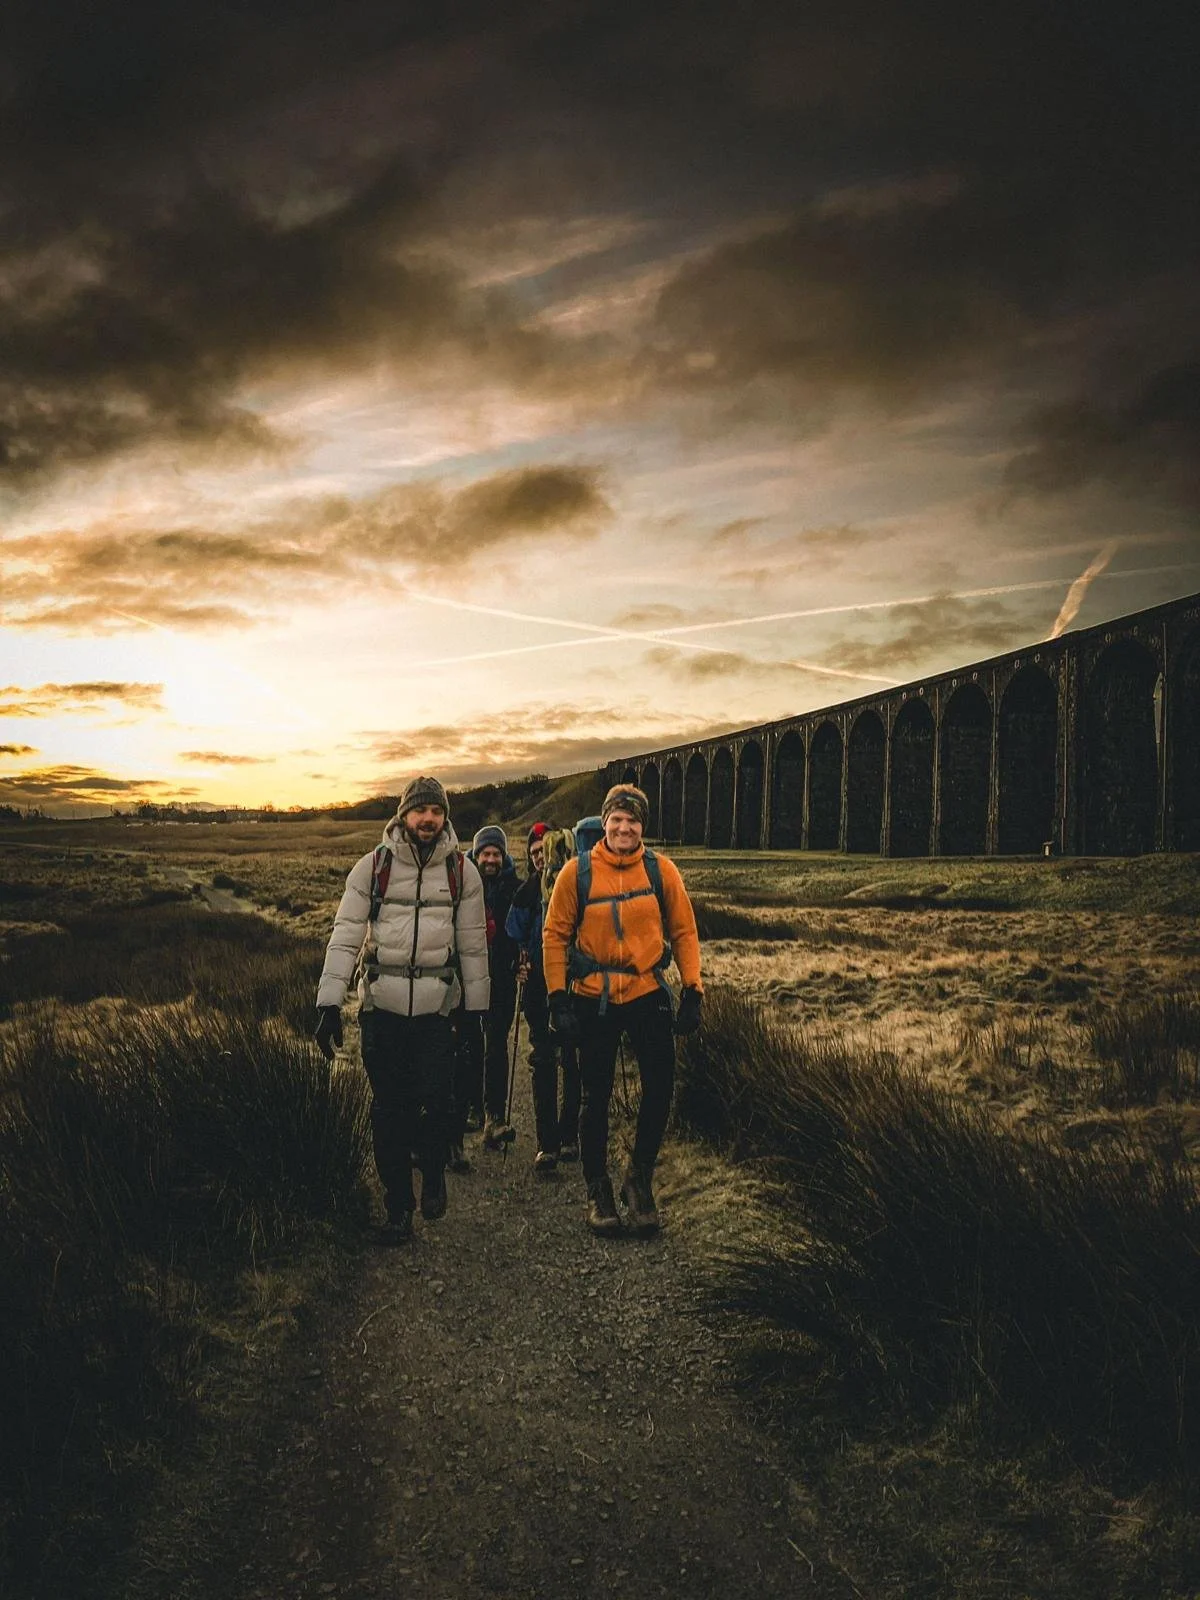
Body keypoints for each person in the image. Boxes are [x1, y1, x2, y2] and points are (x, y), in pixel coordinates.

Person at [314, 776, 489, 1244]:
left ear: (444, 817)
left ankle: (432, 1174)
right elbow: (346, 934)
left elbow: (473, 947)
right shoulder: (372, 868)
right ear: (404, 815)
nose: (428, 819)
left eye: (436, 812)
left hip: (437, 1014)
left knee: (437, 1105)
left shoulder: (462, 872)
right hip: (382, 1011)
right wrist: (329, 1003)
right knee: (388, 1112)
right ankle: (398, 1210)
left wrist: (475, 1012)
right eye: (420, 811)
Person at [543, 784, 703, 1237]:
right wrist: (558, 998)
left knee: (660, 1086)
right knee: (594, 1095)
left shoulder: (661, 872)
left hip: (646, 990)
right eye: (617, 819)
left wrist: (693, 989)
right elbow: (554, 936)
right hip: (592, 996)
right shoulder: (575, 874)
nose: (624, 827)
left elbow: (685, 930)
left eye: (633, 821)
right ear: (604, 822)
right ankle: (599, 1191)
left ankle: (640, 1176)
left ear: (642, 828)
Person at [505, 822, 581, 1175]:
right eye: (534, 854)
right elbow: (512, 937)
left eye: (544, 852)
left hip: (574, 986)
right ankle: (546, 1144)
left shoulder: (577, 887)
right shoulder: (525, 894)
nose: (540, 859)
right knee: (544, 1058)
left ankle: (569, 1137)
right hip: (537, 987)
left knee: (571, 1058)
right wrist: (517, 963)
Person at [467, 823, 522, 1150]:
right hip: (469, 975)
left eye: (496, 853)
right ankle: (472, 1107)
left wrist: (522, 958)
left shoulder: (514, 888)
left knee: (496, 1045)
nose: (490, 859)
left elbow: (521, 929)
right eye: (485, 853)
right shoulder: (462, 885)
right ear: (476, 855)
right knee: (471, 1043)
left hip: (501, 976)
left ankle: (494, 1116)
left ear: (503, 856)